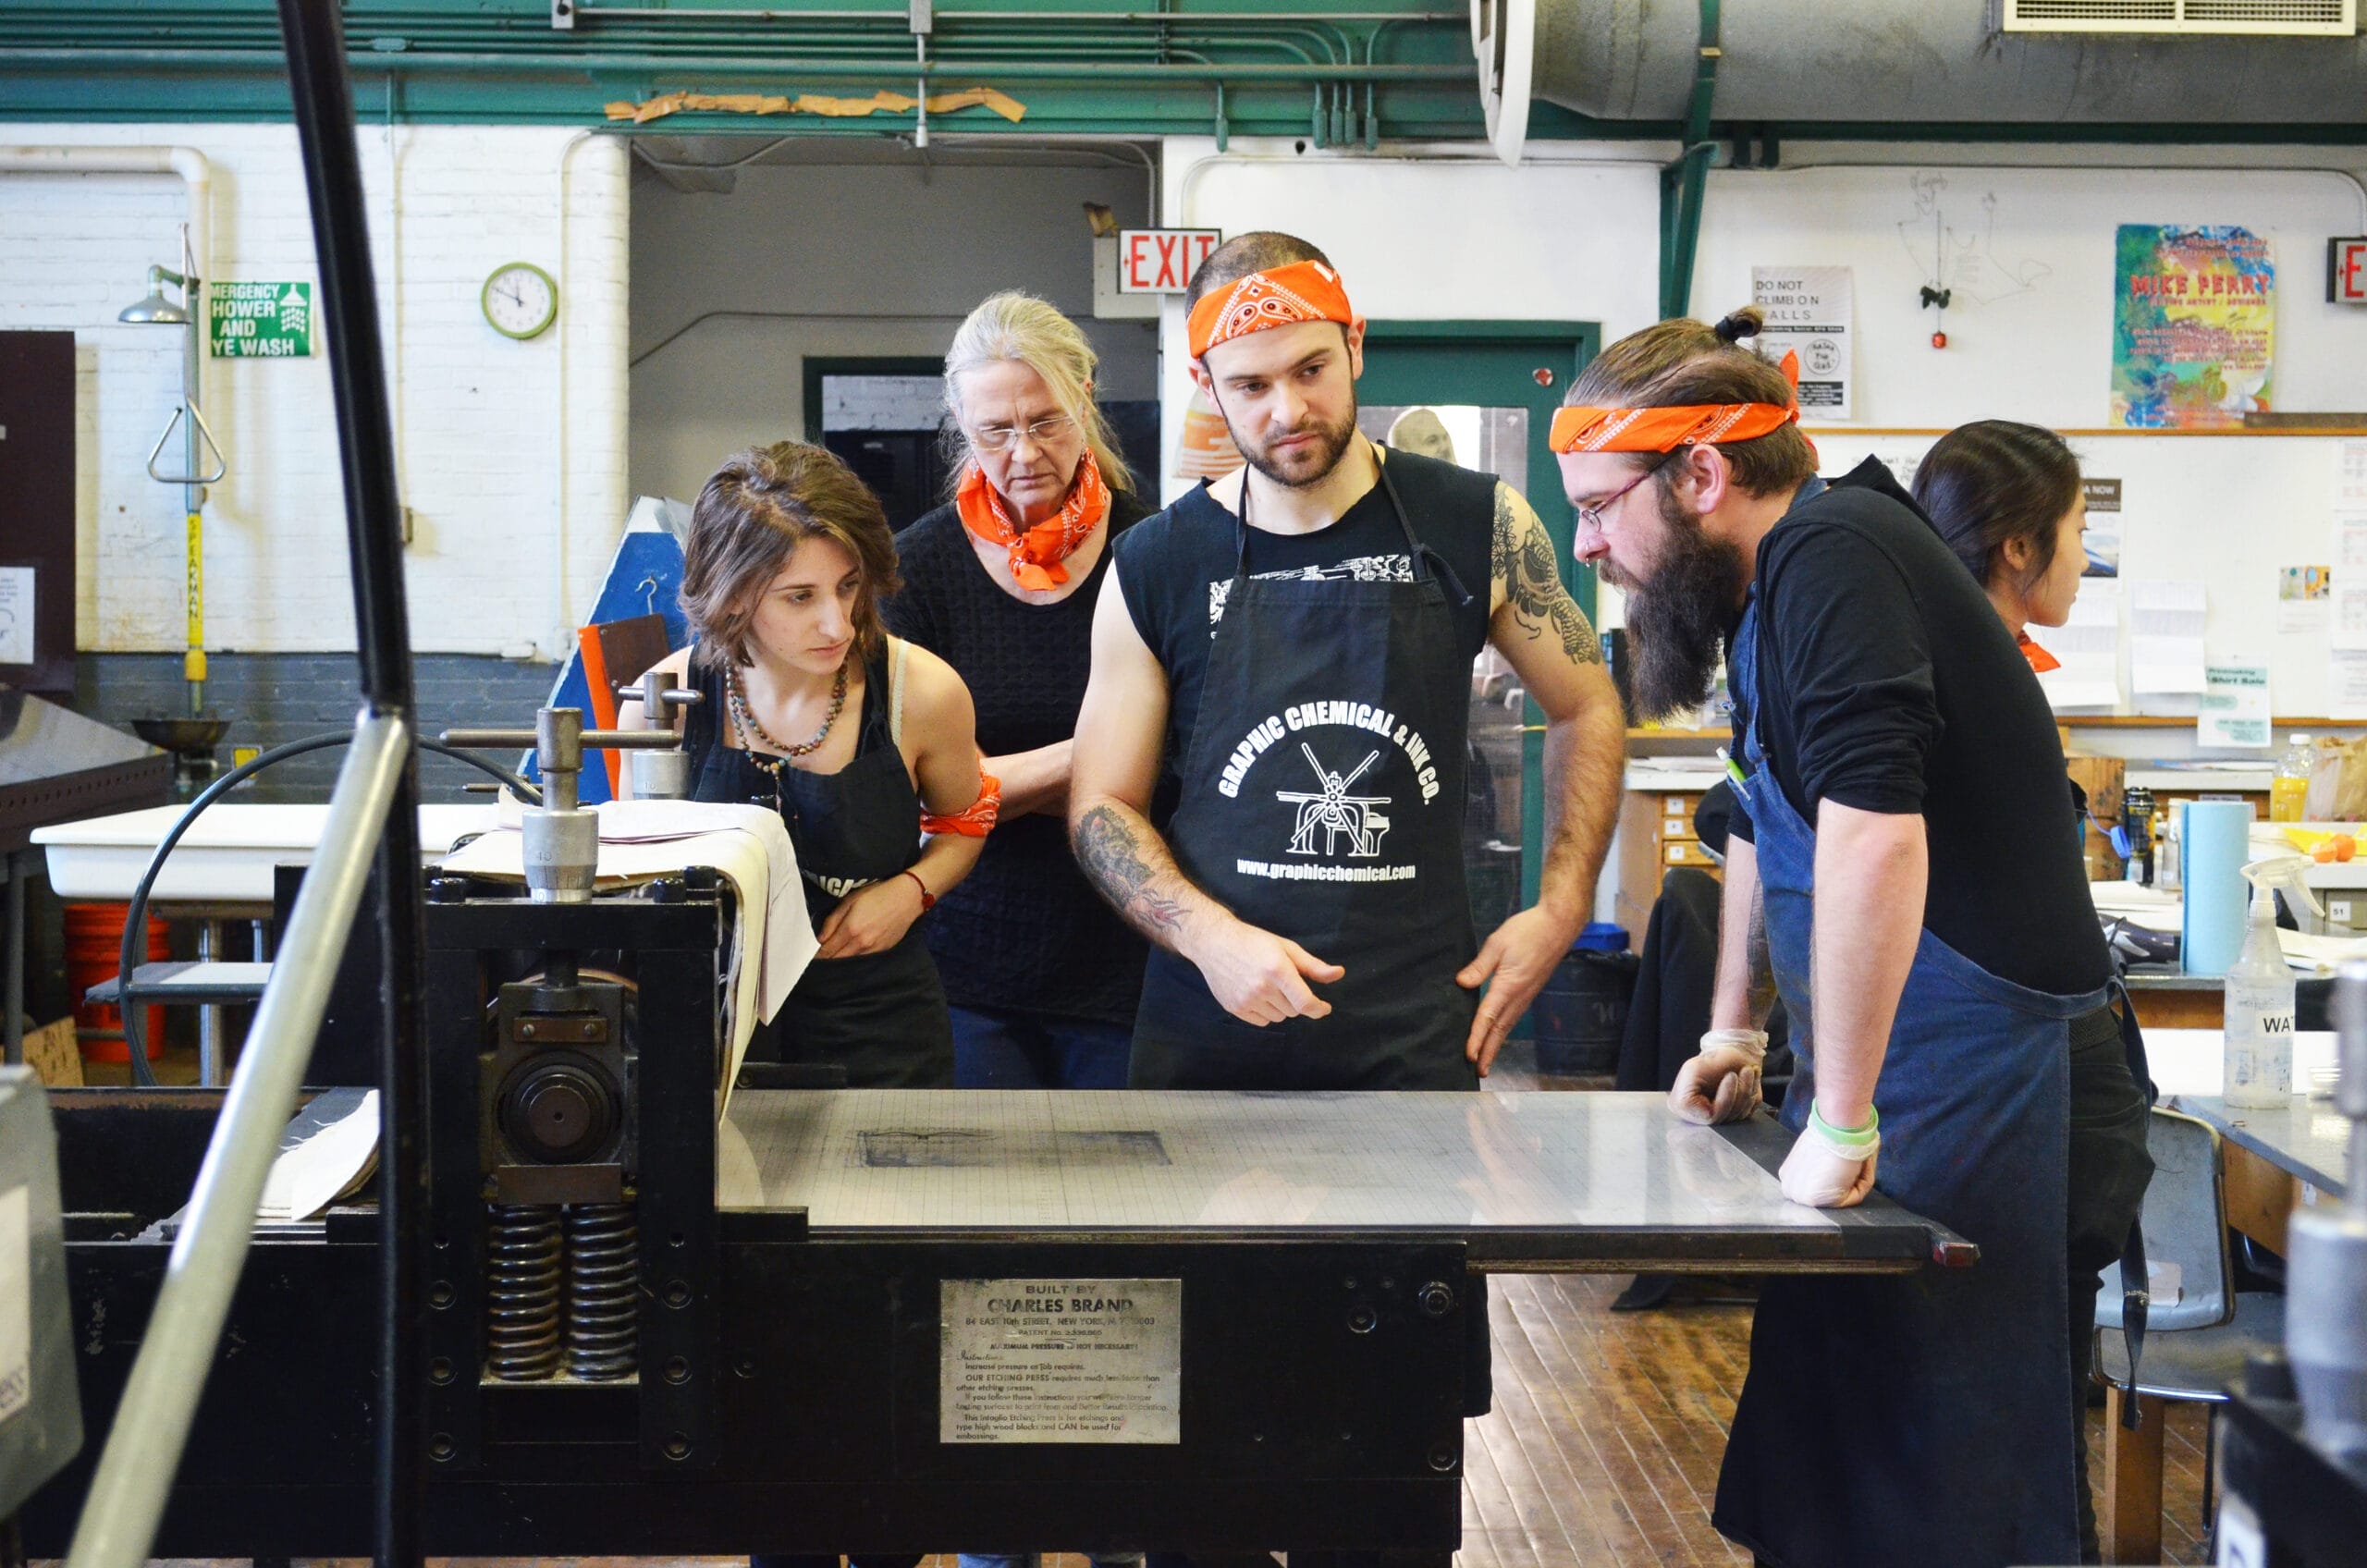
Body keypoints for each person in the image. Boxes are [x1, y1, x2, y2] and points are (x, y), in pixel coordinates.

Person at [1551, 307, 2133, 1568]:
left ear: (1701, 474)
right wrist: (1735, 1026)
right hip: (1904, 1081)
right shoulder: (1771, 586)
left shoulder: (1834, 557)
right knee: (1833, 1456)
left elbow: (1875, 838)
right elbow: (1766, 817)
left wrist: (1848, 1117)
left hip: (1997, 1091)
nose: (1590, 544)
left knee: (1949, 1482)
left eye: (1601, 506)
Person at [1069, 229, 1625, 1091]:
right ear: (1206, 387)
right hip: (1208, 1028)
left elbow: (1586, 706)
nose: (1287, 410)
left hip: (1411, 1029)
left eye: (1311, 370)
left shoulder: (1478, 524)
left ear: (1354, 345)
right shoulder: (1155, 562)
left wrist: (1561, 905)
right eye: (1250, 385)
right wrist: (1210, 941)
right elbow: (1102, 804)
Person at [1912, 419, 2155, 1562]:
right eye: (2074, 533)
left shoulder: (1964, 658)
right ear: (2017, 547)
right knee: (2024, 1386)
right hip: (2012, 1091)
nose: (2080, 555)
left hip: (2035, 1083)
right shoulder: (1971, 674)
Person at [624, 438, 990, 1093]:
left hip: (879, 1025)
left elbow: (968, 820)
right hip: (709, 1029)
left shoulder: (923, 692)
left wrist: (912, 892)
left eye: (849, 587)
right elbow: (639, 881)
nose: (838, 623)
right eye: (800, 597)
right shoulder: (664, 705)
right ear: (731, 596)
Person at [883, 291, 1156, 1097]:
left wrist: (985, 784)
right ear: (961, 427)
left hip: (1126, 950)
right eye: (994, 431)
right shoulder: (917, 572)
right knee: (983, 1207)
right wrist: (1109, 754)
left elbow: (1184, 760)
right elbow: (918, 794)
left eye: (1045, 421)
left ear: (1086, 402)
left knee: (1124, 1204)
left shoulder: (1156, 554)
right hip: (967, 965)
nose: (1023, 452)